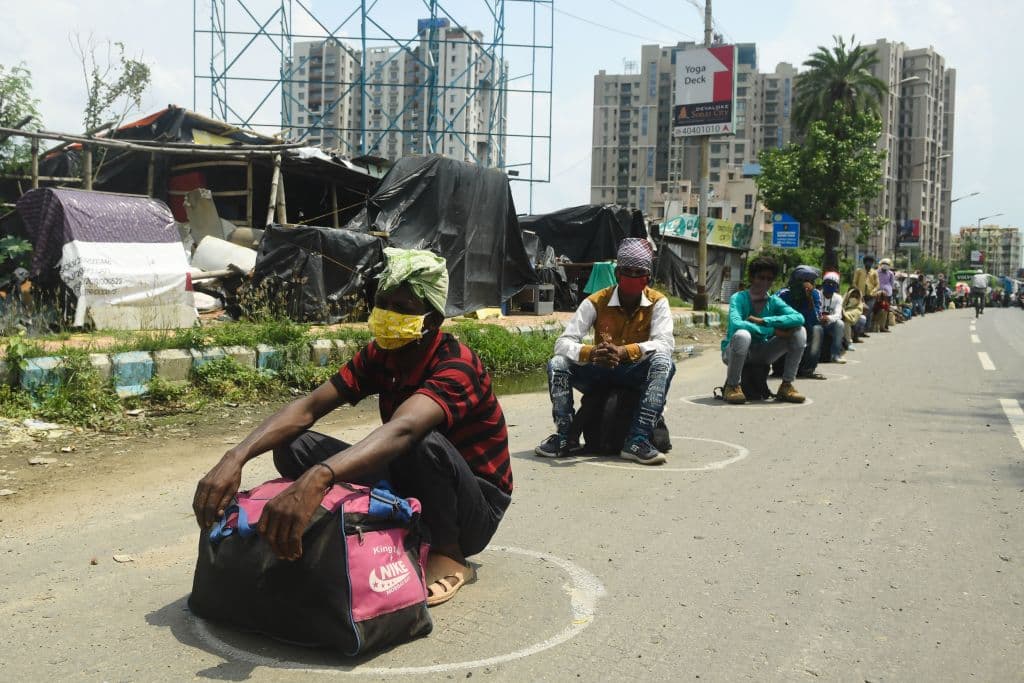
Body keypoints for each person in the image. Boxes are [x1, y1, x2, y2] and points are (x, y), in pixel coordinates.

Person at [192, 248, 511, 607]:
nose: (388, 314)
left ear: (433, 320)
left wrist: (319, 476)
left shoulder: (456, 365)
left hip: (474, 507)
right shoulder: (381, 355)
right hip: (410, 473)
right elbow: (309, 408)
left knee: (420, 442)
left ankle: (449, 554)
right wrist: (236, 456)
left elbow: (404, 429)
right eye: (382, 303)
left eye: (402, 308)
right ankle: (383, 524)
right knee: (293, 445)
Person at [536, 237, 675, 464]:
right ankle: (565, 436)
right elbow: (563, 342)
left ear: (648, 277)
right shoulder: (596, 301)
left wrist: (624, 351)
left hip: (634, 371)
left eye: (638, 272)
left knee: (663, 361)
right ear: (617, 273)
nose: (632, 276)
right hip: (600, 370)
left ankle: (637, 440)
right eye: (627, 271)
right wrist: (591, 353)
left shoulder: (658, 302)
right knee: (558, 363)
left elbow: (665, 343)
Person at [720, 255, 807, 404]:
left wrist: (765, 321)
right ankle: (732, 386)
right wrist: (772, 331)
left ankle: (786, 385)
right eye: (761, 277)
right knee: (743, 335)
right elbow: (736, 323)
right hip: (735, 351)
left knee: (800, 331)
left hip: (762, 352)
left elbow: (799, 318)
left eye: (769, 279)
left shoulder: (774, 301)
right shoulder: (738, 298)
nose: (765, 282)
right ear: (752, 278)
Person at [778, 265, 826, 380]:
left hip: (806, 329)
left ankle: (808, 369)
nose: (806, 284)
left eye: (810, 281)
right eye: (802, 280)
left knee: (818, 330)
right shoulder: (783, 294)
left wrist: (809, 299)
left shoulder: (815, 294)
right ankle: (779, 367)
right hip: (786, 330)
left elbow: (815, 320)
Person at [819, 271, 847, 363]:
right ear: (823, 284)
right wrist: (820, 318)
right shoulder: (817, 294)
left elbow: (838, 315)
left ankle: (835, 355)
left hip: (830, 325)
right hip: (817, 323)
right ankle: (813, 356)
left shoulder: (838, 298)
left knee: (840, 324)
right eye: (828, 283)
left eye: (833, 284)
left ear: (836, 286)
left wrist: (828, 318)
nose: (830, 286)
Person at [873, 258, 896, 332]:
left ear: (889, 266)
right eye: (884, 264)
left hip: (887, 294)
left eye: (887, 264)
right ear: (881, 264)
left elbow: (892, 283)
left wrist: (889, 290)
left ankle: (885, 326)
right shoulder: (876, 272)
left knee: (886, 308)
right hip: (877, 293)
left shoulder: (891, 273)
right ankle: (875, 325)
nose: (885, 265)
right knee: (876, 308)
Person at [853, 256, 879, 320]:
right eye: (867, 261)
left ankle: (867, 325)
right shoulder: (859, 271)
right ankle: (861, 324)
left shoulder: (874, 272)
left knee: (868, 312)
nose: (868, 263)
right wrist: (858, 291)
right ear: (864, 263)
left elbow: (877, 285)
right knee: (859, 311)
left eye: (870, 262)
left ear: (872, 263)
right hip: (860, 296)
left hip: (871, 296)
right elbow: (854, 283)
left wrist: (873, 292)